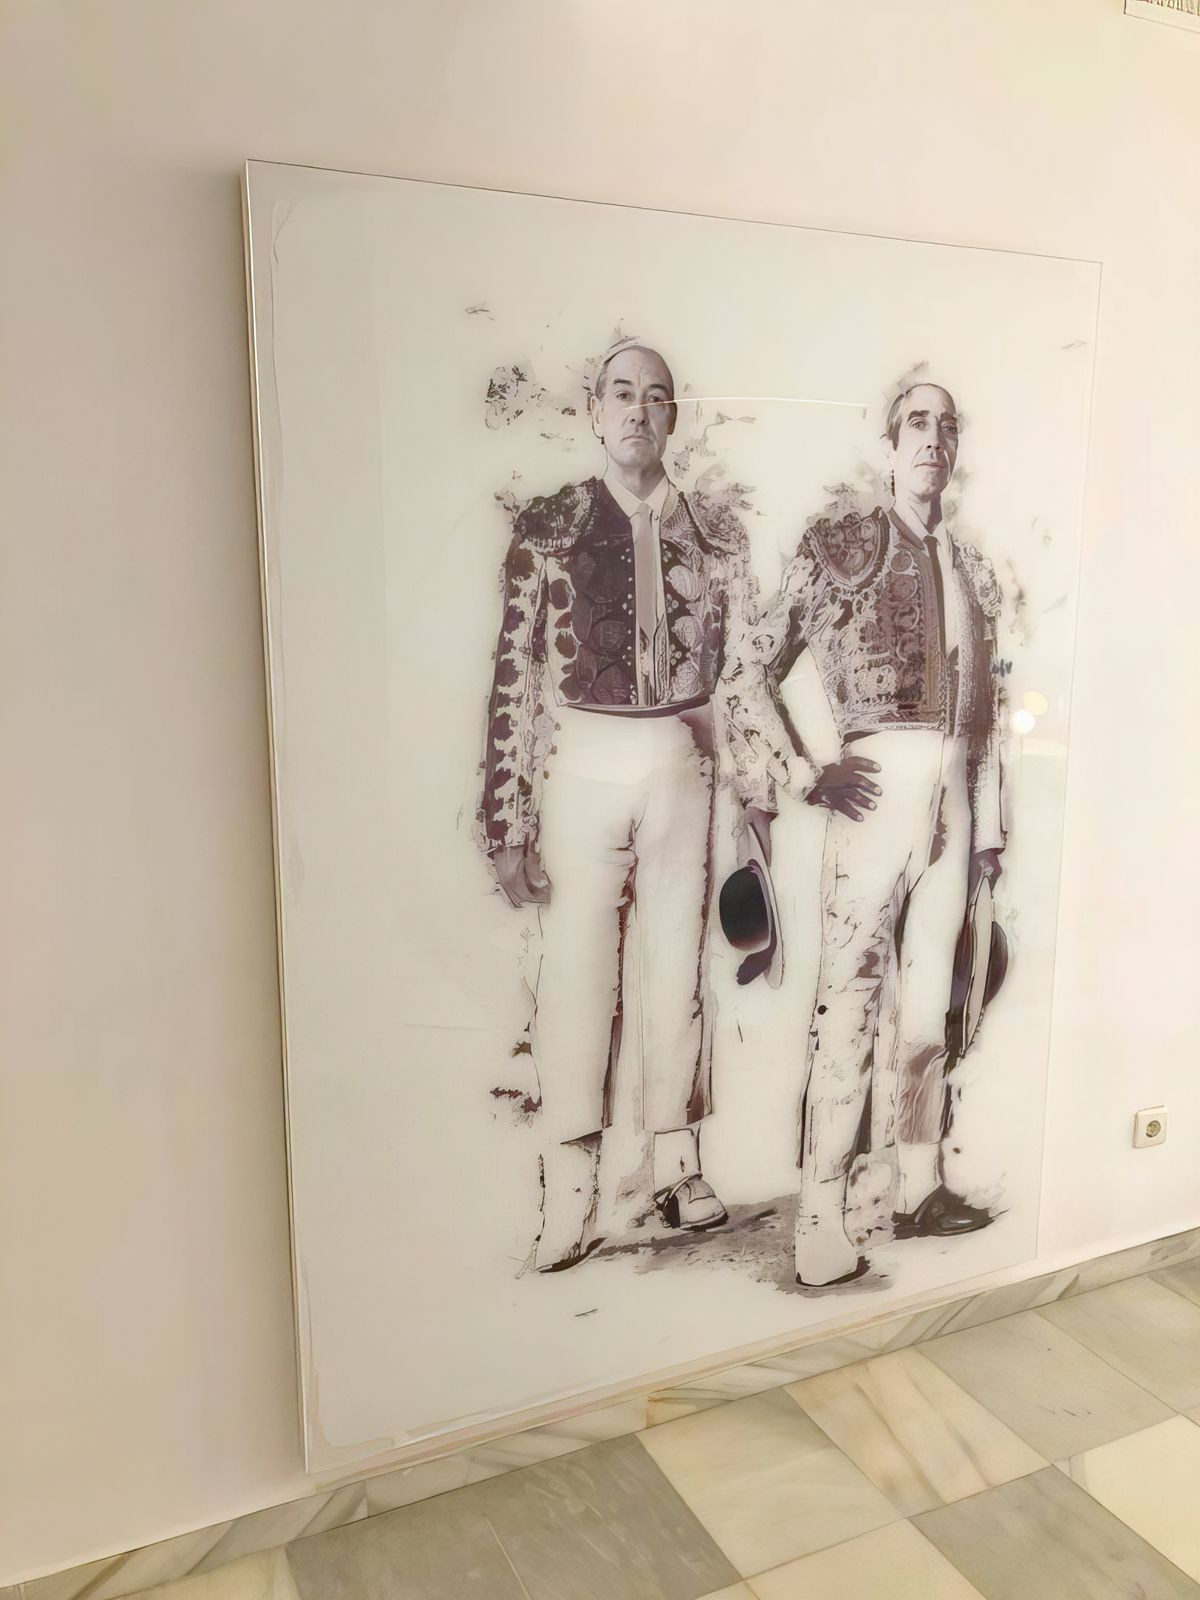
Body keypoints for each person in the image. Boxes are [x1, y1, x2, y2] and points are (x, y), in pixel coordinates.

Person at [480, 340, 812, 1271]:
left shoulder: (716, 533)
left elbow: (740, 676)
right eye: (622, 394)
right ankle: (571, 1186)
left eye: (656, 397)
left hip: (681, 760)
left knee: (676, 968)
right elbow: (514, 678)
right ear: (595, 411)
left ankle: (677, 1162)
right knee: (578, 976)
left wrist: (758, 796)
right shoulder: (549, 527)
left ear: (674, 416)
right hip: (581, 763)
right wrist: (506, 823)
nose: (638, 411)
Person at [758, 381, 1005, 1287]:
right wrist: (804, 773)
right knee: (850, 1000)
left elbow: (989, 712)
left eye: (948, 426)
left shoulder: (971, 566)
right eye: (917, 424)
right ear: (889, 444)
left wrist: (988, 828)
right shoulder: (842, 546)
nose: (934, 439)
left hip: (953, 797)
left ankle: (917, 1185)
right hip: (876, 792)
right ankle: (819, 1213)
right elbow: (748, 668)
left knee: (930, 1002)